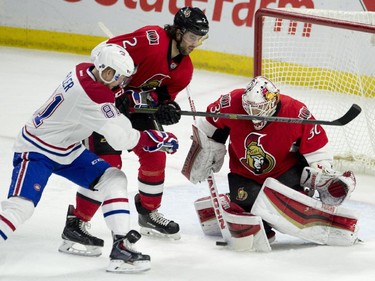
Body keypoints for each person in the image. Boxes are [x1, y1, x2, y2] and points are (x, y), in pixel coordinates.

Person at [0, 44, 179, 273]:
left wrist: (129, 98)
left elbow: (110, 98)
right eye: (117, 77)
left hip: (67, 148)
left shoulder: (85, 69)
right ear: (105, 71)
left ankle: (121, 246)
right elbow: (121, 138)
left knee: (113, 178)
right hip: (37, 150)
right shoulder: (92, 95)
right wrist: (156, 138)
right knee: (21, 207)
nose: (119, 83)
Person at [58, 6, 209, 255]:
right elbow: (100, 53)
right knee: (107, 165)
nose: (196, 43)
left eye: (200, 38)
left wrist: (166, 108)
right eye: (193, 37)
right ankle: (77, 222)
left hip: (135, 108)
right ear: (179, 32)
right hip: (105, 106)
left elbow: (161, 97)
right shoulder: (151, 39)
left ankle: (148, 212)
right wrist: (111, 94)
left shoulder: (185, 70)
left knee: (156, 153)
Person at [185, 76, 356, 242]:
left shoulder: (295, 111)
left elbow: (317, 148)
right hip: (244, 173)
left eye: (259, 108)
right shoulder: (231, 101)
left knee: (281, 206)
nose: (254, 114)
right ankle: (238, 206)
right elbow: (208, 125)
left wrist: (321, 172)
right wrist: (204, 148)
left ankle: (306, 193)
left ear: (273, 100)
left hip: (284, 173)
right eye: (249, 108)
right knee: (250, 205)